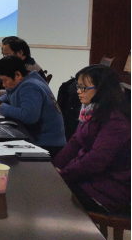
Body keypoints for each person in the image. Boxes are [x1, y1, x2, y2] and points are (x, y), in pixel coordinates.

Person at [53, 65, 131, 214]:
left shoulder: (116, 121)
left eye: (83, 88)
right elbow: (75, 141)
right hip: (91, 179)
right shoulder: (91, 111)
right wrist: (54, 167)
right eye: (78, 86)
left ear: (102, 90)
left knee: (50, 195)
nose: (78, 91)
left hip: (109, 189)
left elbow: (95, 160)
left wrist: (62, 176)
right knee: (46, 186)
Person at [0, 56, 66, 155]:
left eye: (5, 80)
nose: (4, 84)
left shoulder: (30, 86)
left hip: (47, 144)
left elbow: (29, 116)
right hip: (38, 138)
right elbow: (14, 93)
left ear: (17, 74)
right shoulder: (28, 79)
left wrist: (1, 108)